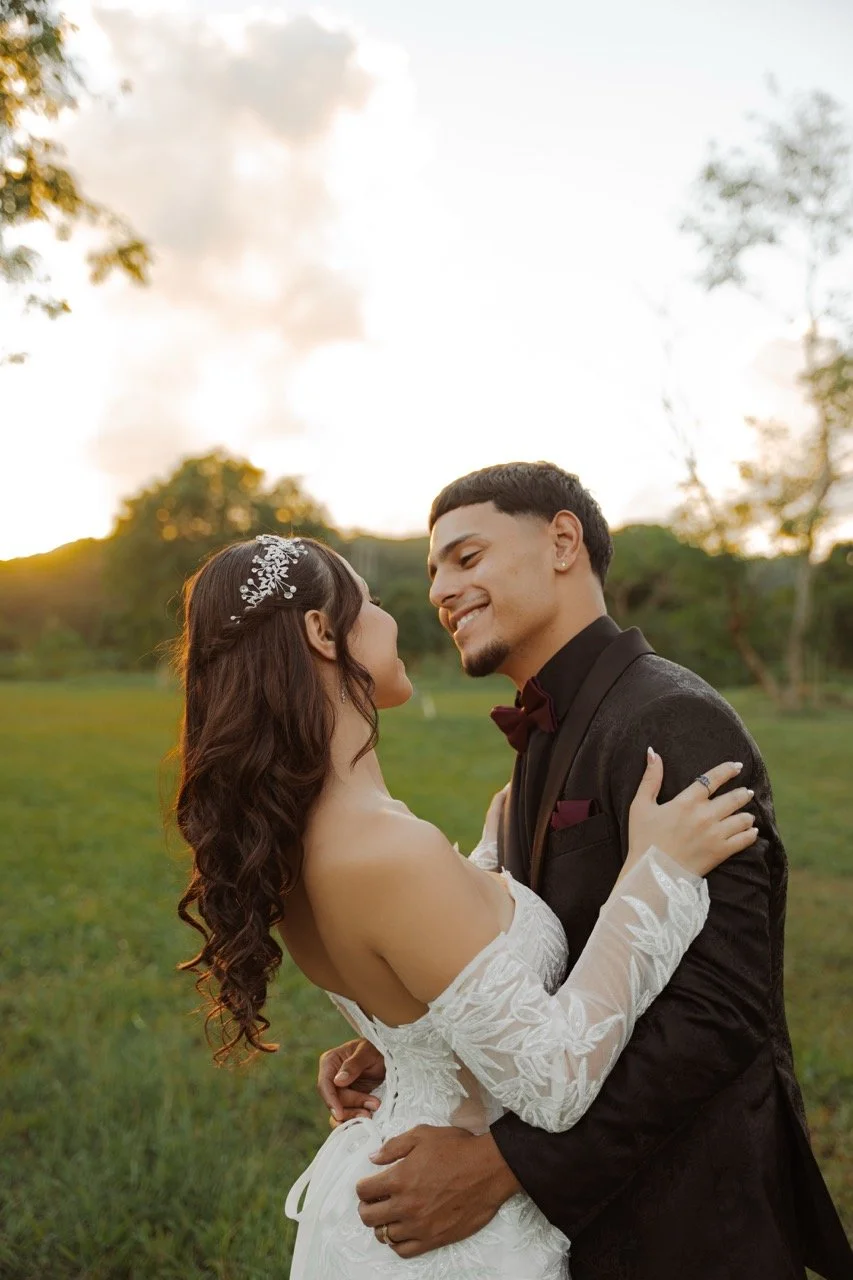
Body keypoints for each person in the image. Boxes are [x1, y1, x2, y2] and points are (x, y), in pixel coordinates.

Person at [320, 462, 853, 1280]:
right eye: (431, 572)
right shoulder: (540, 739)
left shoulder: (671, 718)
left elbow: (721, 1008)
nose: (439, 590)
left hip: (684, 1222)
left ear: (562, 542)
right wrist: (420, 1035)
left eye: (466, 557)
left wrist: (505, 1165)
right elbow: (535, 958)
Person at [175, 530, 756, 1279]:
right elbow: (554, 1081)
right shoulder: (389, 853)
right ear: (322, 632)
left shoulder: (289, 843)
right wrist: (657, 873)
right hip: (455, 1236)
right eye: (371, 601)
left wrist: (485, 859)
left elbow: (433, 962)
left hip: (390, 1177)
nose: (398, 614)